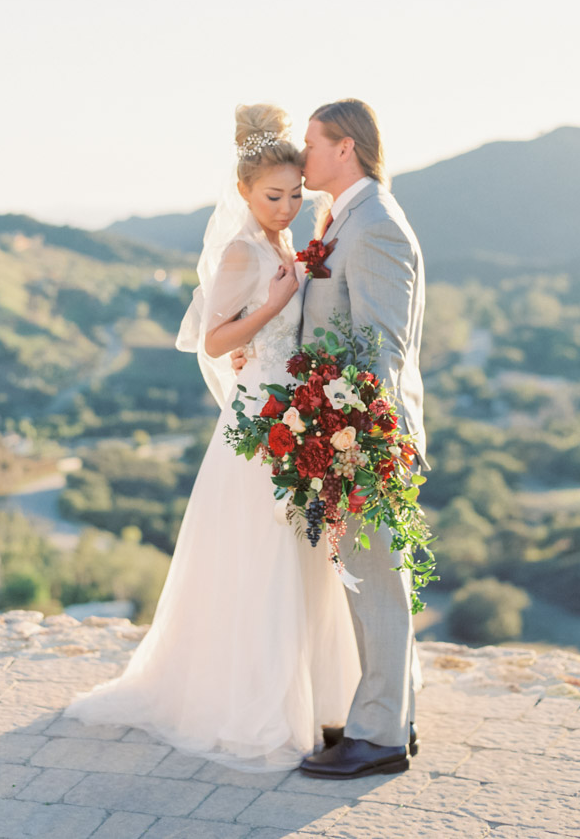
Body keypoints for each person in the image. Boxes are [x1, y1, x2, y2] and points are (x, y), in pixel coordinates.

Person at [64, 104, 360, 771]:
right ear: (243, 194)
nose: (285, 207)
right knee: (262, 552)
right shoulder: (240, 250)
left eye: (293, 194)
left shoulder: (287, 241)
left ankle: (319, 694)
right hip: (259, 421)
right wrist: (275, 305)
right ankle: (252, 700)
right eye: (271, 196)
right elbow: (214, 337)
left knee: (302, 547)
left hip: (295, 408)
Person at [233, 98, 429, 780]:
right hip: (348, 430)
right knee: (369, 579)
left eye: (312, 145)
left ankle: (378, 737)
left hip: (364, 436)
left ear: (343, 148)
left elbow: (381, 347)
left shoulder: (373, 225)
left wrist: (352, 441)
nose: (303, 155)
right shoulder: (343, 216)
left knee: (376, 581)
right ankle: (389, 718)